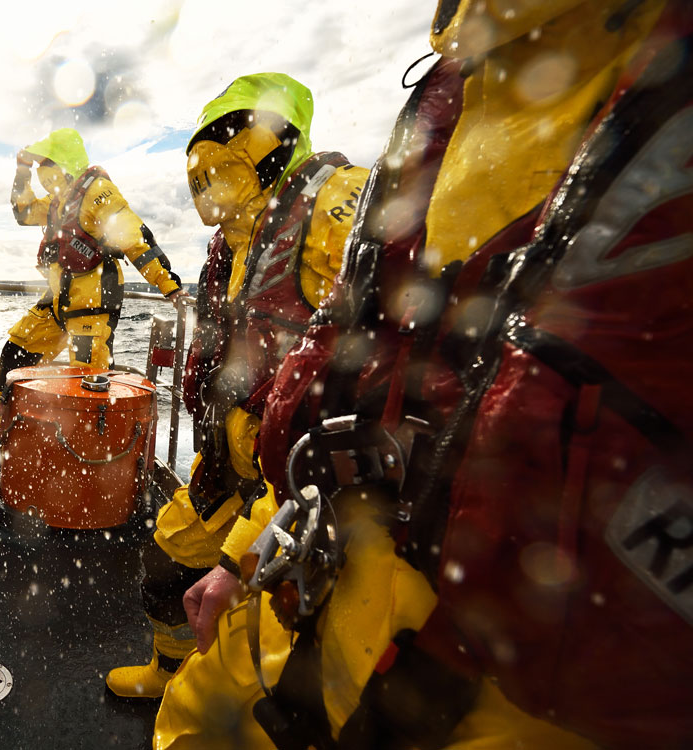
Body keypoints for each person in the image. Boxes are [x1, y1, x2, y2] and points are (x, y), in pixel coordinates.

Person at [157, 0, 692, 748]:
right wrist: (249, 553)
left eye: (229, 145)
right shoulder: (448, 108)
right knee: (190, 717)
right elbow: (359, 354)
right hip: (324, 568)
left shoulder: (334, 198)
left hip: (519, 670)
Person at [105, 73, 369, 700]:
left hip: (300, 481)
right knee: (163, 565)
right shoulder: (234, 242)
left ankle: (220, 701)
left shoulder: (339, 202)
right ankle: (172, 678)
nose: (207, 179)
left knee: (284, 636)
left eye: (225, 150)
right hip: (229, 461)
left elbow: (386, 349)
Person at [0, 128, 186, 456]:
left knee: (86, 385)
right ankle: (2, 437)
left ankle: (85, 461)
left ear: (62, 163)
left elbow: (135, 237)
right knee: (15, 355)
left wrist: (170, 286)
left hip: (93, 304)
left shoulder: (98, 191)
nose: (41, 171)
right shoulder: (58, 201)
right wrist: (20, 171)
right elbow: (22, 212)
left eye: (44, 164)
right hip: (58, 300)